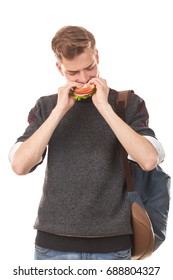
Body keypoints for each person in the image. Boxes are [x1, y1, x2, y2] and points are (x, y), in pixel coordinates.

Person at [9, 25, 165, 260]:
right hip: (52, 246)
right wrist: (59, 110)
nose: (84, 78)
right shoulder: (46, 106)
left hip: (113, 246)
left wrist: (104, 107)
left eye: (90, 67)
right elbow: (20, 166)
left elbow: (148, 160)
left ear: (97, 57)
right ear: (59, 68)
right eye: (73, 73)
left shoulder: (128, 102)